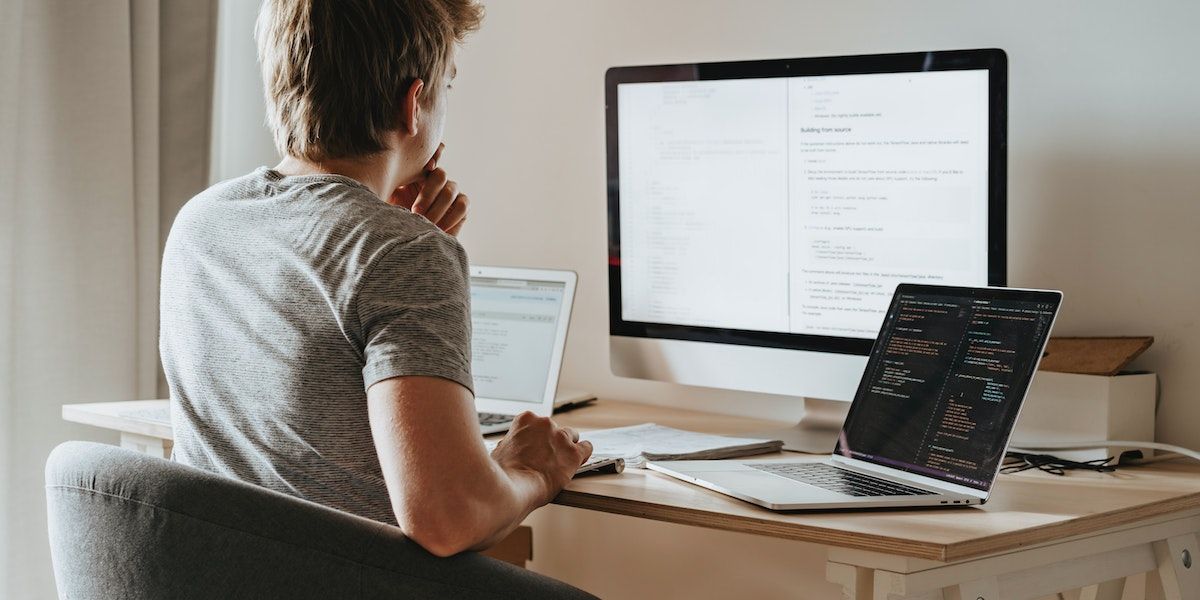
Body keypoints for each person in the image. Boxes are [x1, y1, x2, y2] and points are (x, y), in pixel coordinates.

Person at [159, 0, 594, 593]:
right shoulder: (400, 252)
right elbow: (446, 517)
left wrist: (397, 242)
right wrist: (530, 471)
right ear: (413, 104)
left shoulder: (200, 222)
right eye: (447, 86)